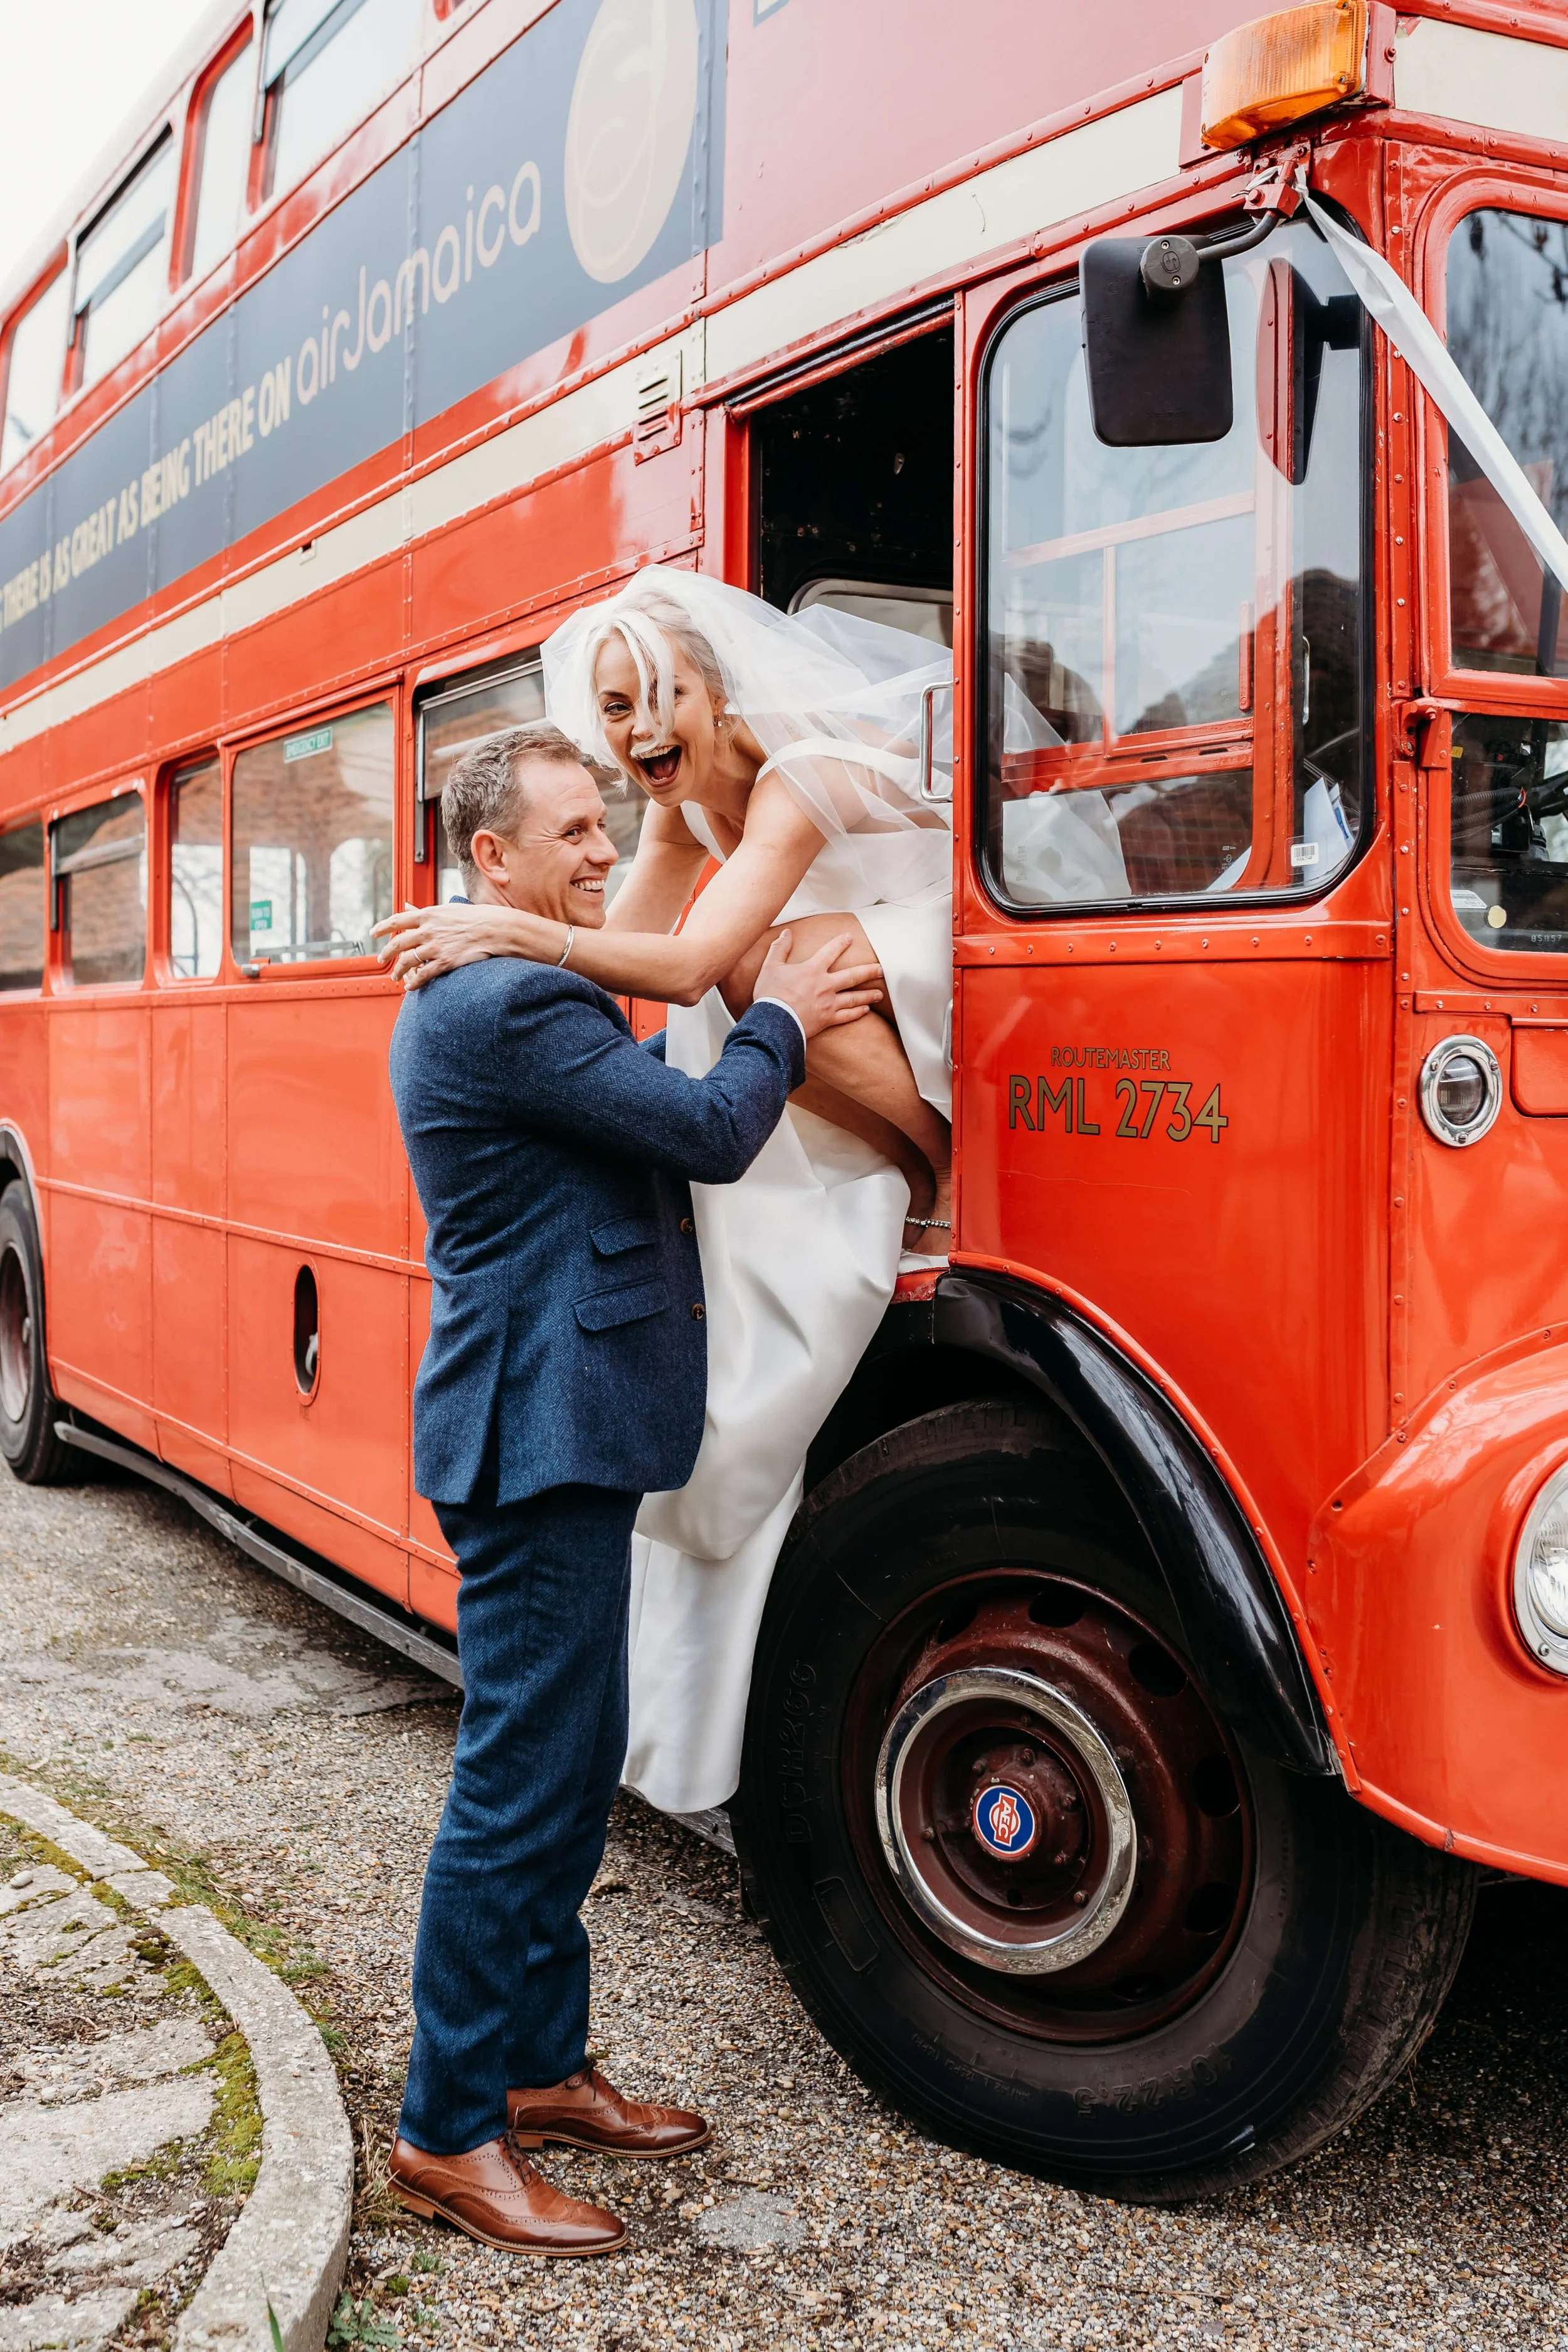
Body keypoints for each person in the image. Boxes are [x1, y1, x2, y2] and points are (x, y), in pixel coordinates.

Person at [384, 719, 881, 2256]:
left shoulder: (526, 974)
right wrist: (780, 1014)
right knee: (517, 1792)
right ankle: (446, 2129)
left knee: (570, 1763)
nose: (602, 850)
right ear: (490, 858)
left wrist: (674, 827)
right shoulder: (504, 1004)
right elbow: (712, 1131)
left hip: (565, 1425)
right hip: (535, 1438)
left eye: (606, 821)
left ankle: (541, 2069)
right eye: (571, 830)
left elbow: (649, 926)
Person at [376, 571, 953, 1820]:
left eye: (658, 700)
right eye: (614, 709)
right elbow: (622, 986)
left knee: (751, 962)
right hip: (821, 1005)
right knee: (737, 999)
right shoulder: (681, 809)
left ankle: (932, 1155)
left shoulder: (802, 772)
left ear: (718, 688)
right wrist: (532, 948)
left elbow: (684, 960)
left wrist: (510, 932)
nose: (638, 734)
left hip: (918, 954)